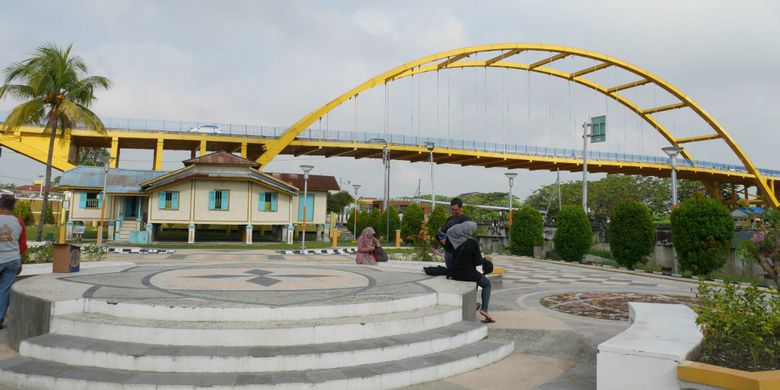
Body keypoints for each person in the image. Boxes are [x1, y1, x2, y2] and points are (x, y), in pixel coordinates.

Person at [447, 221, 495, 323]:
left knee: (477, 279)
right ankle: (484, 310)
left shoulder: (455, 241)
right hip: (468, 274)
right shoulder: (473, 243)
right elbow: (477, 262)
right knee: (487, 284)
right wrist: (486, 259)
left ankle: (474, 304)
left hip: (455, 274)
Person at [0, 194, 25, 329]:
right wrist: (19, 261)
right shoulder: (18, 221)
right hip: (12, 260)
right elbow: (22, 245)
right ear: (13, 206)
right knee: (4, 291)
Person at [437, 198, 469, 270]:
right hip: (448, 251)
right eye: (452, 209)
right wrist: (440, 231)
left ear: (461, 208)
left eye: (455, 209)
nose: (453, 211)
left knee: (457, 274)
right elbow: (444, 229)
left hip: (457, 253)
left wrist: (447, 240)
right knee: (449, 273)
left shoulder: (465, 220)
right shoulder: (450, 219)